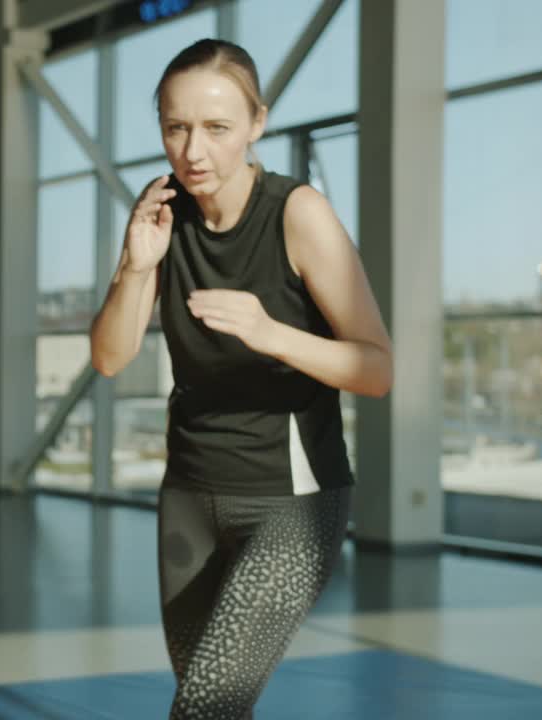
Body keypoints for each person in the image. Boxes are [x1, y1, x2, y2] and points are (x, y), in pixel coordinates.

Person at [88, 39, 393, 719]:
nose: (194, 151)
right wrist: (138, 266)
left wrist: (271, 333)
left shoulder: (298, 214)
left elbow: (377, 368)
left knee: (204, 708)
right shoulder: (162, 207)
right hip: (189, 497)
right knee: (213, 707)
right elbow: (109, 357)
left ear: (258, 123)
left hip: (291, 503)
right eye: (176, 127)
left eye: (218, 128)